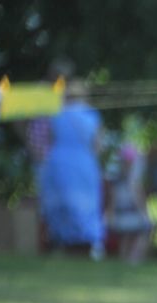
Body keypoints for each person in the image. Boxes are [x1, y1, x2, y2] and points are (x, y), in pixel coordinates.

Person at [39, 80, 104, 255]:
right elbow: (97, 145)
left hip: (59, 163)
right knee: (85, 205)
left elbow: (49, 140)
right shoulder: (90, 114)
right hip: (83, 163)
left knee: (61, 204)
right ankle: (85, 244)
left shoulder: (57, 114)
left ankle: (61, 242)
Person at [107, 138, 154, 265]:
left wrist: (110, 215)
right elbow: (139, 199)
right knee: (146, 229)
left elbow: (111, 200)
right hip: (130, 215)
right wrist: (145, 215)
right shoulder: (134, 181)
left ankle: (125, 259)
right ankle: (134, 259)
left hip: (120, 216)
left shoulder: (116, 179)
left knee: (125, 238)